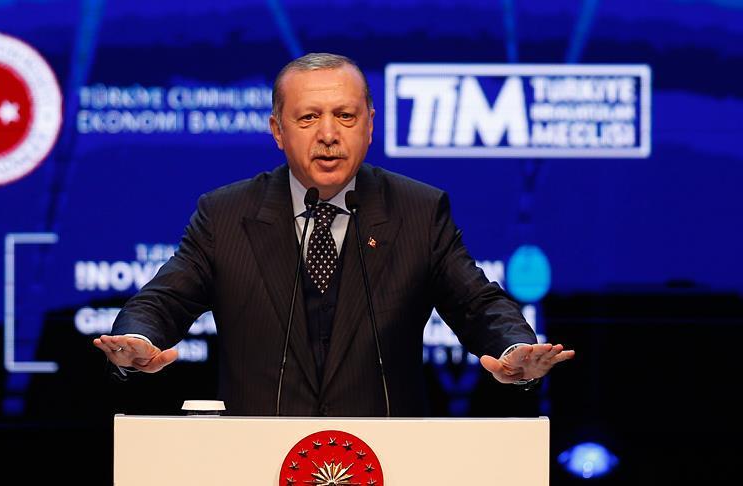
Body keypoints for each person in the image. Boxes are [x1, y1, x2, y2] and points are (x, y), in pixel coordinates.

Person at [93, 53, 574, 416]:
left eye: (345, 116)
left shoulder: (419, 210)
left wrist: (514, 350)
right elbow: (164, 300)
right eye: (308, 118)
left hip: (385, 462)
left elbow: (477, 304)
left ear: (370, 126)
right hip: (256, 462)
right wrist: (136, 339)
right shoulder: (226, 214)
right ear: (277, 130)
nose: (328, 134)